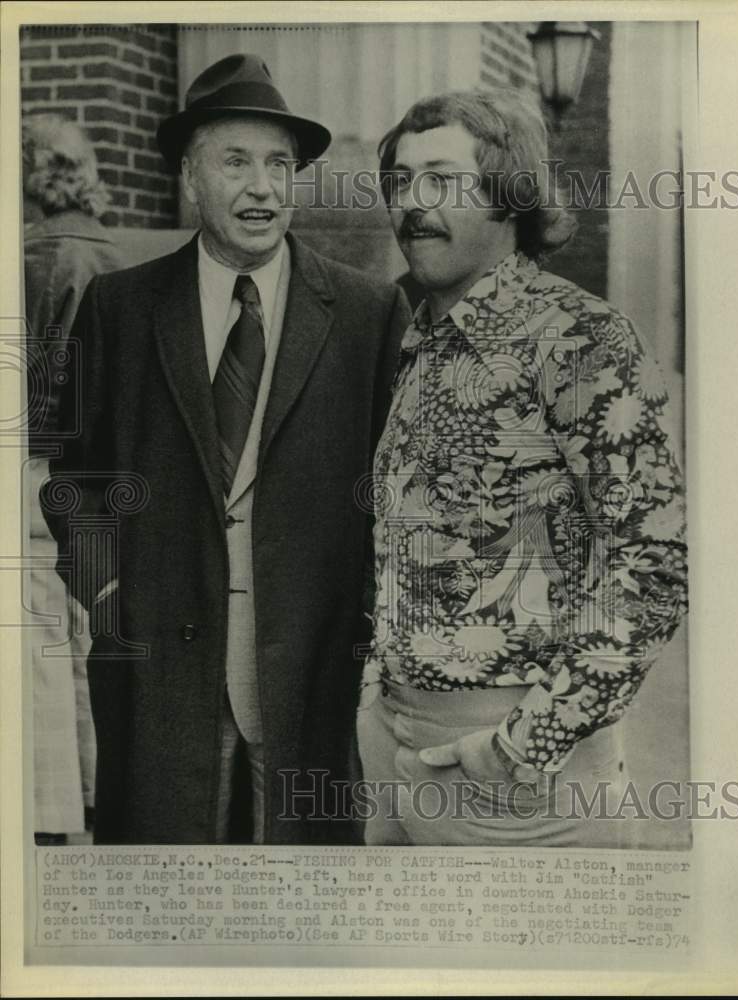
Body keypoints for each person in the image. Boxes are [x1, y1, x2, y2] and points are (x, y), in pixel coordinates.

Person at [42, 54, 410, 845]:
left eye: (281, 164)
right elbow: (76, 481)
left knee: (302, 911)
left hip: (312, 674)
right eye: (237, 160)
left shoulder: (367, 314)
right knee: (163, 911)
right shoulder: (120, 309)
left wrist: (368, 621)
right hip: (159, 679)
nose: (264, 187)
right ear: (190, 176)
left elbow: (395, 491)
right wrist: (109, 598)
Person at [357, 89, 688, 847]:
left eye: (442, 178)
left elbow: (653, 566)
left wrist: (519, 746)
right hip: (399, 749)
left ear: (511, 197)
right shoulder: (424, 340)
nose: (413, 203)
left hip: (520, 786)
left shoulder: (580, 338)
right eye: (402, 182)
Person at [23, 113, 124, 843]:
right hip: (112, 474)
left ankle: (60, 809)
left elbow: (40, 393)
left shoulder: (38, 259)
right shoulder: (118, 256)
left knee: (44, 644)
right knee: (94, 633)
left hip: (40, 468)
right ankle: (99, 792)